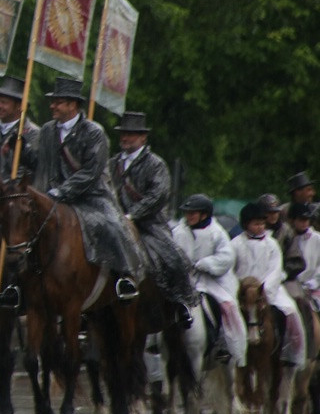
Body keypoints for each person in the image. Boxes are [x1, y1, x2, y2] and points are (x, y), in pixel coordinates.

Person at [31, 77, 143, 302]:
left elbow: (91, 172)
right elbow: (38, 160)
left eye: (58, 102)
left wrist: (62, 191)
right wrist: (20, 150)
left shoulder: (94, 132)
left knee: (112, 225)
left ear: (73, 105)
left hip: (91, 196)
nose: (52, 106)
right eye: (53, 102)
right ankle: (16, 283)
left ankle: (125, 276)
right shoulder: (46, 131)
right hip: (54, 195)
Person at [109, 111, 194, 326]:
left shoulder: (156, 164)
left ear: (143, 138)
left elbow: (158, 195)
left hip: (149, 224)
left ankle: (180, 303)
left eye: (131, 134)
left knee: (173, 257)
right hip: (115, 223)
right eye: (123, 134)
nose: (125, 138)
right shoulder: (112, 164)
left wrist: (132, 215)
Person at [171, 194, 246, 366]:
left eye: (193, 213)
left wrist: (205, 263)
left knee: (227, 306)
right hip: (184, 281)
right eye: (187, 213)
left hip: (210, 281)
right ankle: (154, 342)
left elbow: (227, 257)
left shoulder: (217, 233)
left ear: (204, 214)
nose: (189, 216)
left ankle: (223, 345)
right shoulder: (178, 232)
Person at [232, 201, 306, 368]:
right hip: (242, 291)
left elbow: (275, 269)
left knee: (292, 312)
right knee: (228, 312)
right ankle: (225, 347)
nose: (260, 227)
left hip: (267, 290)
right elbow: (231, 270)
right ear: (246, 224)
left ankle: (291, 352)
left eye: (262, 223)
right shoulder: (236, 244)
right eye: (256, 223)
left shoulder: (271, 244)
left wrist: (264, 290)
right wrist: (241, 288)